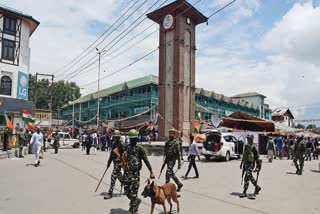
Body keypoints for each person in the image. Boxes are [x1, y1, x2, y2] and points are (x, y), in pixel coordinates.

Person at [123, 129, 155, 213]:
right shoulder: (127, 147)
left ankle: (132, 209)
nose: (132, 140)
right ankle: (136, 200)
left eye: (134, 139)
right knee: (126, 190)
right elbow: (124, 158)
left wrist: (151, 171)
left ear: (136, 139)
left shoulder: (140, 148)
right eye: (131, 139)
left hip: (135, 173)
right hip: (127, 172)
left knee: (134, 191)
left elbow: (145, 160)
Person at [105, 130, 125, 199]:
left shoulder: (122, 143)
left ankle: (110, 193)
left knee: (113, 176)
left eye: (117, 137)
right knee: (119, 175)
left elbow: (125, 153)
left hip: (119, 162)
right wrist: (109, 162)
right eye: (115, 137)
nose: (116, 138)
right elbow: (111, 153)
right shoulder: (114, 143)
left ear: (119, 136)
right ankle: (125, 185)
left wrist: (121, 158)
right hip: (114, 162)